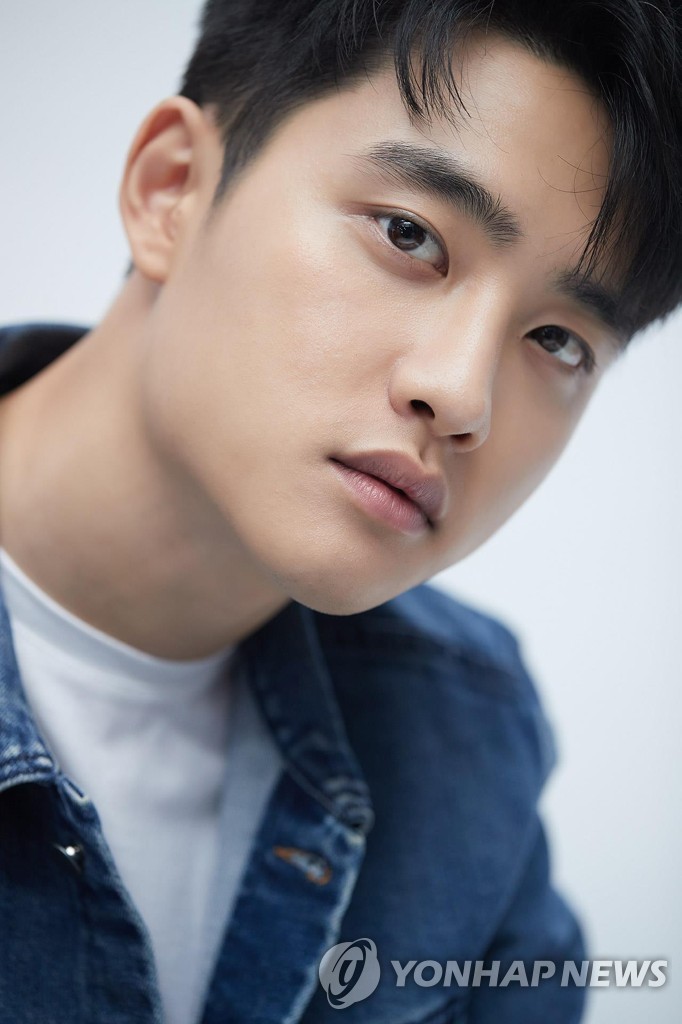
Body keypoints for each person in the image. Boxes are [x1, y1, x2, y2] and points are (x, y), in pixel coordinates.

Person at [0, 0, 679, 1021]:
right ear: (171, 190)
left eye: (557, 341)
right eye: (410, 235)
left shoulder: (464, 738)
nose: (461, 394)